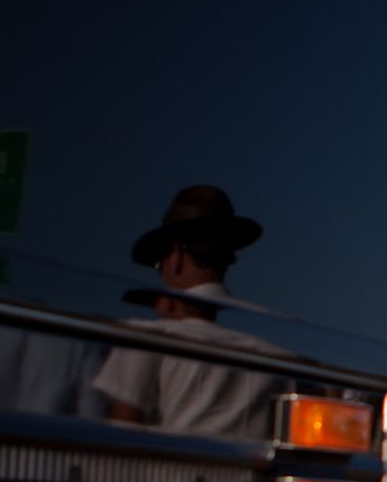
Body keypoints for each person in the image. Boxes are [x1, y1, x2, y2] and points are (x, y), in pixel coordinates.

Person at [92, 185, 280, 439]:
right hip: (253, 478)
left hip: (173, 477)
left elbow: (122, 433)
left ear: (177, 255)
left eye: (158, 262)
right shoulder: (280, 338)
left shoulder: (145, 335)